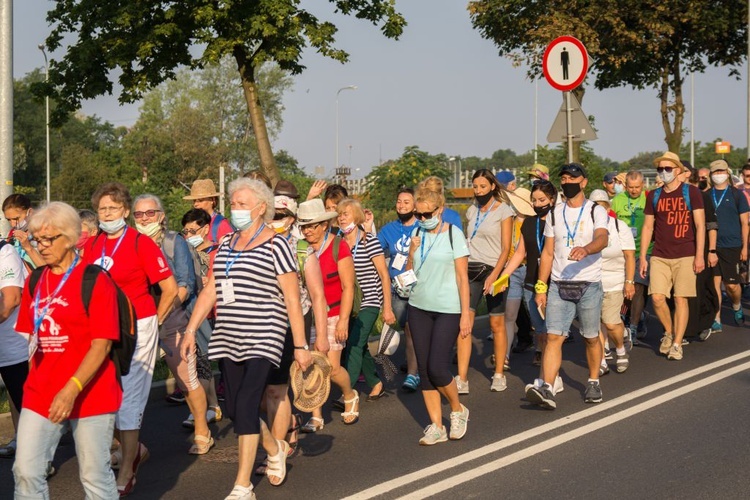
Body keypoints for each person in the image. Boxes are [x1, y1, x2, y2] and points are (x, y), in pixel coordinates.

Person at [181, 178, 312, 500]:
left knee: (249, 401)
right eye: (233, 203)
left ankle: (243, 485)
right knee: (238, 410)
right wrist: (189, 330)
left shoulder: (277, 245)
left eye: (241, 204)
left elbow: (293, 299)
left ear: (260, 208)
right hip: (229, 335)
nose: (234, 209)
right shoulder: (225, 245)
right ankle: (274, 448)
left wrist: (300, 345)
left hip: (265, 334)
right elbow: (211, 289)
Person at [12, 202, 121, 499]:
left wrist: (71, 388)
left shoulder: (94, 280)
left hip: (90, 391)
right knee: (25, 470)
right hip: (42, 392)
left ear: (71, 237)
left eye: (50, 239)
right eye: (37, 239)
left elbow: (103, 344)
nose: (42, 246)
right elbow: (31, 338)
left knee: (94, 475)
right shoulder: (35, 279)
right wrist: (36, 384)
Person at [83, 182, 178, 495]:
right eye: (102, 209)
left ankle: (127, 467)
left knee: (131, 396)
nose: (107, 214)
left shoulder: (141, 243)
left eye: (112, 208)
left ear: (124, 211)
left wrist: (155, 320)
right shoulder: (94, 244)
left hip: (138, 326)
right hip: (104, 328)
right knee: (103, 390)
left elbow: (170, 288)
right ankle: (133, 449)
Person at [132, 194, 212, 454]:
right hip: (139, 321)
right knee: (129, 385)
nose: (145, 218)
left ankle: (202, 429)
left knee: (186, 379)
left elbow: (185, 285)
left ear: (162, 216)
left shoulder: (173, 242)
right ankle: (127, 445)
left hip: (173, 318)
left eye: (150, 213)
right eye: (139, 214)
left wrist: (161, 314)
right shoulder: (129, 243)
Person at [256, 191, 329, 469]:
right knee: (261, 395)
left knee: (277, 390)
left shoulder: (301, 249)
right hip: (261, 326)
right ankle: (290, 421)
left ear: (291, 219)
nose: (275, 221)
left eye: (281, 216)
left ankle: (274, 452)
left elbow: (317, 295)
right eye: (271, 216)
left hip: (292, 325)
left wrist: (320, 336)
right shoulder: (256, 245)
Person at [532, 163, 609, 409]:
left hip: (588, 283)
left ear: (584, 182)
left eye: (572, 178)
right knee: (554, 337)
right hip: (558, 284)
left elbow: (602, 238)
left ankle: (594, 381)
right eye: (564, 178)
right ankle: (547, 386)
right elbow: (547, 253)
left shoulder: (595, 211)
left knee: (590, 337)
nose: (567, 182)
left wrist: (586, 249)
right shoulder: (555, 213)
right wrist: (541, 287)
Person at [406, 187, 471, 444]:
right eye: (418, 215)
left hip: (448, 309)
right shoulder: (416, 233)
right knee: (424, 369)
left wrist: (465, 314)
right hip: (418, 306)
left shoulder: (454, 235)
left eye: (426, 214)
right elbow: (409, 271)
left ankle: (457, 409)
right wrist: (411, 252)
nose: (422, 219)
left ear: (439, 210)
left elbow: (462, 278)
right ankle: (436, 426)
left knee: (437, 367)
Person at [296, 199, 360, 432]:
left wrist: (343, 319)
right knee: (311, 366)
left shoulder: (338, 246)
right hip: (308, 314)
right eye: (304, 226)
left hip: (333, 312)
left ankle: (349, 394)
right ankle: (316, 415)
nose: (308, 231)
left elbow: (348, 286)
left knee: (331, 368)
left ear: (324, 225)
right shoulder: (300, 248)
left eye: (312, 226)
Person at [496, 181, 565, 396]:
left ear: (552, 200)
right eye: (534, 200)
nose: (537, 204)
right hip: (531, 285)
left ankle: (548, 380)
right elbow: (519, 253)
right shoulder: (528, 224)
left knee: (552, 334)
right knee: (542, 335)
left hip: (555, 284)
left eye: (542, 200)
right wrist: (503, 275)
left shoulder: (561, 222)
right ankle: (551, 376)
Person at [640, 151, 705, 361]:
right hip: (659, 254)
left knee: (680, 299)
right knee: (657, 298)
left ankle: (677, 343)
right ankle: (669, 331)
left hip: (686, 253)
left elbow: (700, 225)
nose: (664, 172)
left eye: (668, 168)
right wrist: (642, 256)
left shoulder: (691, 192)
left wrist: (700, 255)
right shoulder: (654, 195)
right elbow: (648, 227)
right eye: (660, 169)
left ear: (678, 170)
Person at [458, 169, 514, 394]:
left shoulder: (504, 211)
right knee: (464, 325)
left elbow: (506, 248)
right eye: (475, 186)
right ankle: (461, 378)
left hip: (494, 269)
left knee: (496, 324)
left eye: (483, 186)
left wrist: (495, 275)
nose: (478, 190)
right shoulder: (471, 211)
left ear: (492, 187)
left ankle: (499, 373)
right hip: (471, 269)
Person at [337, 198, 395, 400]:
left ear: (357, 216)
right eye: (340, 214)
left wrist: (387, 307)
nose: (342, 218)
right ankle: (375, 382)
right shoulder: (340, 243)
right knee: (359, 344)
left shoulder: (368, 240)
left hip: (370, 301)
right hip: (350, 303)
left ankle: (348, 392)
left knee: (353, 343)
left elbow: (383, 274)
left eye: (346, 213)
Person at [179, 208, 223, 429]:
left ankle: (202, 410)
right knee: (200, 362)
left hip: (218, 315)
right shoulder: (185, 252)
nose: (188, 235)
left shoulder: (218, 252)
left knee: (208, 361)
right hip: (196, 316)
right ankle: (210, 406)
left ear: (206, 229)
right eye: (185, 231)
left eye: (192, 230)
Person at [377, 187, 421, 392]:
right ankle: (413, 363)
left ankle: (413, 374)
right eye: (399, 201)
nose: (401, 205)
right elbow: (375, 250)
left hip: (419, 287)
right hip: (397, 289)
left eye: (406, 202)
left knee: (412, 330)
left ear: (415, 205)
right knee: (404, 328)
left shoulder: (423, 227)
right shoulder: (389, 229)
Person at [589, 190, 636, 374]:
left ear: (608, 208)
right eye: (594, 208)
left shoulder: (619, 227)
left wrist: (629, 281)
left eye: (602, 206)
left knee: (610, 322)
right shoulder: (586, 228)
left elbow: (629, 256)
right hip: (592, 281)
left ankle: (620, 349)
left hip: (615, 281)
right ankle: (601, 360)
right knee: (595, 323)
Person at [707, 160, 749, 329]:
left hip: (732, 245)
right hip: (712, 246)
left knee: (732, 285)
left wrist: (745, 247)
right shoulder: (706, 195)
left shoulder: (737, 194)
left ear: (728, 173)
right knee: (714, 282)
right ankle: (716, 318)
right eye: (715, 172)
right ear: (711, 175)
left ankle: (737, 305)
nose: (719, 175)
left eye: (721, 171)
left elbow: (745, 223)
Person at [0, 232, 30, 459]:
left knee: (25, 403)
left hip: (11, 347)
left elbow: (11, 299)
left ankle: (37, 457)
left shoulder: (5, 252)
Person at [611, 170, 650, 344]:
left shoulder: (648, 198)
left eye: (637, 187)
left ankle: (633, 327)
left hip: (645, 250)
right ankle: (638, 315)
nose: (634, 191)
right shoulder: (617, 201)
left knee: (639, 287)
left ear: (643, 185)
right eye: (631, 187)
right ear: (625, 186)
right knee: (626, 291)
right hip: (623, 251)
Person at [183, 179, 234, 245]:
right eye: (194, 201)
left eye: (200, 200)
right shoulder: (190, 223)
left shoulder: (220, 224)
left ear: (212, 200)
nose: (196, 204)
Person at [3, 194, 44, 269]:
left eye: (16, 219)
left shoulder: (45, 234)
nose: (12, 224)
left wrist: (28, 247)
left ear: (30, 212)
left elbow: (48, 270)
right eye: (8, 219)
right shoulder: (11, 234)